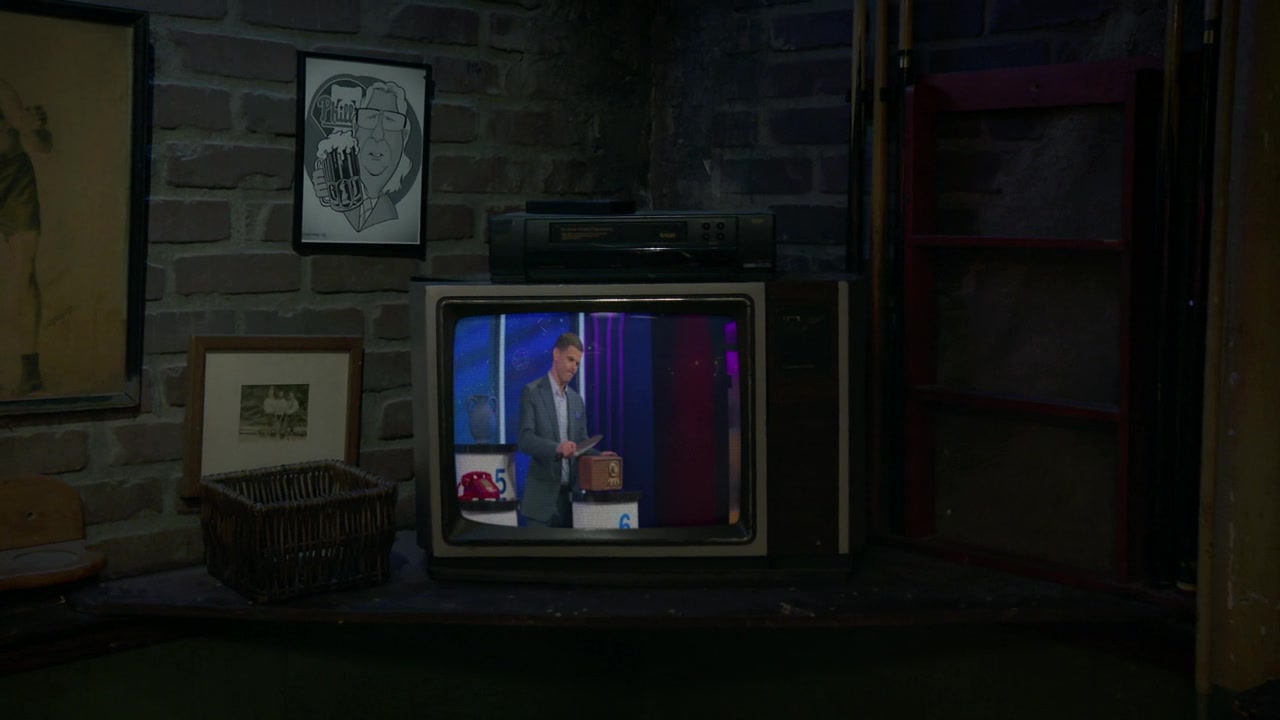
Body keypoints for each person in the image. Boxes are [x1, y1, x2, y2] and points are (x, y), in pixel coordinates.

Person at [517, 332, 614, 528]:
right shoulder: (532, 392)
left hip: (571, 501)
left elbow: (581, 443)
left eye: (577, 363)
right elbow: (525, 440)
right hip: (541, 501)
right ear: (556, 354)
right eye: (570, 360)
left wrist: (599, 456)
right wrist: (557, 448)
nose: (574, 367)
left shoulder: (577, 400)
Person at [0, 77, 53, 394]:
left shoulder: (2, 90)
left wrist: (31, 129)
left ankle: (30, 370)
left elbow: (42, 145)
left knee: (23, 272)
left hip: (14, 180)